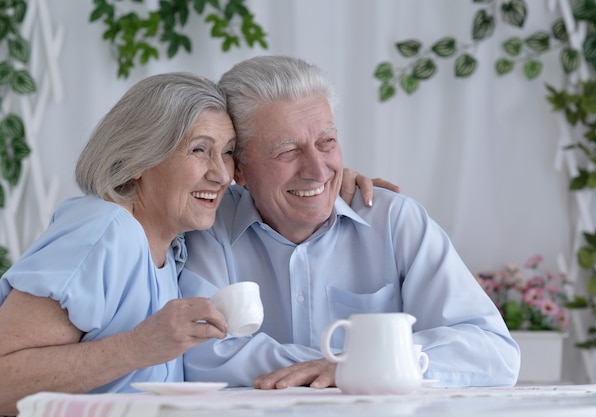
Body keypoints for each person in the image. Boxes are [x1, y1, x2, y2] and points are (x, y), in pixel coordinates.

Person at [180, 55, 521, 389]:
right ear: (239, 167)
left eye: (326, 142)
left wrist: (361, 362)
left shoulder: (394, 220)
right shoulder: (208, 226)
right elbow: (201, 355)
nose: (318, 170)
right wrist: (356, 363)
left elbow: (493, 351)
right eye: (288, 152)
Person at [0, 72, 233, 416]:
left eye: (228, 153)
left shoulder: (168, 248)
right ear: (139, 158)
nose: (222, 174)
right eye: (200, 149)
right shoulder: (106, 231)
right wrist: (139, 346)